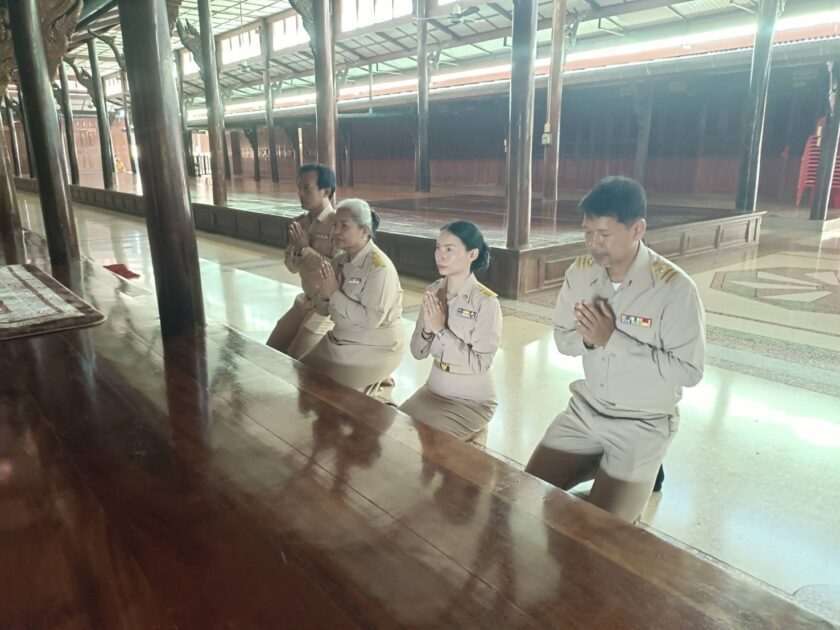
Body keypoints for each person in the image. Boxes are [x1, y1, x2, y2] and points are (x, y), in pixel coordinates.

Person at [525, 176, 705, 523]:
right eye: (587, 233)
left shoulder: (674, 289)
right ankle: (610, 478)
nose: (594, 245)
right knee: (525, 490)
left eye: (604, 234)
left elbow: (689, 371)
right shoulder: (580, 274)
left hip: (642, 422)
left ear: (637, 229)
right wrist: (589, 341)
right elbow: (563, 339)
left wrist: (613, 340)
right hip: (586, 411)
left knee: (603, 529)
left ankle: (628, 484)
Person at [399, 221, 502, 440]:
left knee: (428, 443)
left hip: (471, 402)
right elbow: (417, 353)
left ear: (472, 254)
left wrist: (441, 330)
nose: (440, 255)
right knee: (394, 431)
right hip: (432, 391)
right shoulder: (433, 291)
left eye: (449, 249)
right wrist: (427, 331)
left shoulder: (486, 302)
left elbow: (481, 365)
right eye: (438, 247)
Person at [300, 198, 404, 396]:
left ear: (365, 231)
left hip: (374, 346)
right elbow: (324, 310)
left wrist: (334, 293)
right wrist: (323, 296)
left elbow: (371, 320)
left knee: (332, 396)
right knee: (301, 374)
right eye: (335, 225)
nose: (335, 232)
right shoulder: (340, 259)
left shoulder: (379, 268)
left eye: (344, 226)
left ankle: (379, 391)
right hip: (340, 340)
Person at [266, 164, 338, 359]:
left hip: (328, 306)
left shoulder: (337, 225)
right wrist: (298, 249)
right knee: (271, 349)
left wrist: (306, 249)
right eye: (299, 188)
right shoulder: (300, 223)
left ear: (326, 191)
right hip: (306, 301)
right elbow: (291, 267)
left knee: (297, 358)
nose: (300, 194)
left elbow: (338, 270)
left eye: (307, 188)